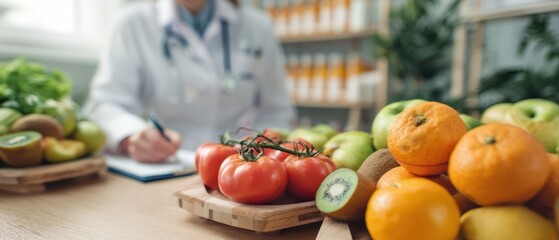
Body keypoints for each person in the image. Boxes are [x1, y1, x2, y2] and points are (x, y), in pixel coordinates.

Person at [84, 0, 294, 163]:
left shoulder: (258, 26)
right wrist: (133, 136)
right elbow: (104, 105)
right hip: (165, 165)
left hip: (239, 169)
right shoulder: (131, 24)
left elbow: (276, 112)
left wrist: (258, 148)